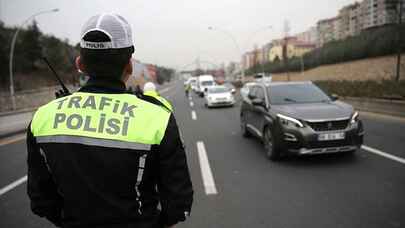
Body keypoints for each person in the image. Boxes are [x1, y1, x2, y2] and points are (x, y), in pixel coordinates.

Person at [27, 13, 193, 228]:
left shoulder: (43, 117)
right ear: (129, 65)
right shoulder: (157, 117)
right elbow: (179, 205)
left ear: (80, 63)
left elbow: (41, 201)